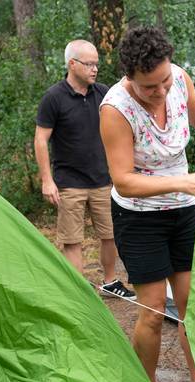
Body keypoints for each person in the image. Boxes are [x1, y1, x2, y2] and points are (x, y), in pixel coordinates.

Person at [99, 26, 195, 382]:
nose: (160, 91)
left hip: (183, 211)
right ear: (130, 77)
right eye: (149, 86)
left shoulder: (179, 79)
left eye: (165, 81)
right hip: (139, 218)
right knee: (153, 311)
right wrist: (183, 181)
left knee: (190, 304)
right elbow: (124, 180)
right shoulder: (115, 109)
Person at [35, 40, 134, 299]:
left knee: (110, 234)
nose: (94, 69)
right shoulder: (53, 98)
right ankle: (78, 293)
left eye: (96, 64)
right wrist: (47, 180)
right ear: (72, 64)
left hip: (103, 180)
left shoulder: (103, 93)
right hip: (69, 183)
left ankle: (111, 282)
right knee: (72, 240)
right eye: (89, 64)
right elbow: (40, 139)